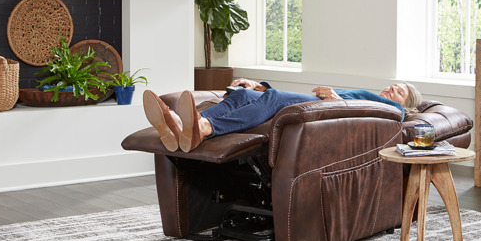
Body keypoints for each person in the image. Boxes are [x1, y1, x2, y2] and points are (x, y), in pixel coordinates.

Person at [143, 78, 423, 152]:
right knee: (242, 94)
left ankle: (203, 128)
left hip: (325, 110)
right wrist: (259, 87)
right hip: (320, 102)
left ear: (406, 103)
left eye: (398, 91)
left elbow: (367, 114)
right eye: (391, 85)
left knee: (274, 98)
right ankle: (185, 128)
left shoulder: (393, 111)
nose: (390, 89)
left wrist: (337, 99)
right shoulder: (372, 95)